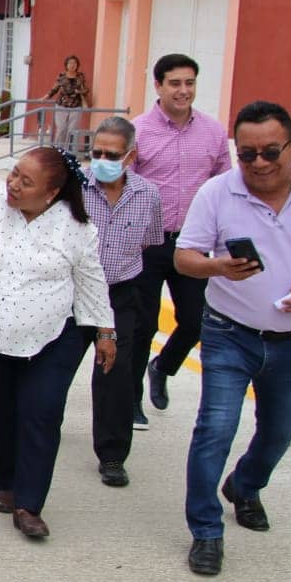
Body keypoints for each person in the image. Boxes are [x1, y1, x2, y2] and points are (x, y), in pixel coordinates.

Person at [174, 101, 291, 577]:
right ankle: (206, 531)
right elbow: (186, 258)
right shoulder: (217, 192)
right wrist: (217, 266)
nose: (260, 163)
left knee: (280, 431)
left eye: (270, 151)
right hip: (229, 333)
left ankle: (244, 486)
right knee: (215, 431)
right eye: (247, 154)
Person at [0, 147, 115, 539]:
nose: (12, 184)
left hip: (52, 339)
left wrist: (105, 332)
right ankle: (4, 481)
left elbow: (91, 279)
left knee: (41, 413)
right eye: (14, 174)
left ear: (51, 194)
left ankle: (29, 505)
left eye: (25, 182)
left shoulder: (76, 228)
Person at [132, 53, 231, 422]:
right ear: (158, 86)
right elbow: (122, 187)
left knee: (195, 321)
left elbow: (225, 187)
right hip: (146, 243)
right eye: (175, 83)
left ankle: (163, 367)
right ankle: (131, 400)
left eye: (189, 83)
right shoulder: (138, 131)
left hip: (191, 244)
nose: (183, 90)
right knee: (142, 325)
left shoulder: (213, 132)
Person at [80, 117, 163, 488]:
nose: (102, 160)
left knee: (116, 371)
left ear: (131, 156)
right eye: (96, 152)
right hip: (74, 291)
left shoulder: (148, 195)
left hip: (120, 294)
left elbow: (149, 239)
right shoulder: (75, 186)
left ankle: (112, 455)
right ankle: (44, 424)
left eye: (111, 154)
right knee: (53, 365)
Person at [46, 55, 92, 151]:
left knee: (72, 130)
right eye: (70, 63)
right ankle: (57, 149)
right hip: (62, 105)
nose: (72, 65)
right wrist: (45, 97)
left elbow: (85, 89)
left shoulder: (80, 76)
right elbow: (55, 88)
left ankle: (67, 151)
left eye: (74, 63)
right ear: (66, 65)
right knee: (61, 128)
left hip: (76, 106)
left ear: (77, 65)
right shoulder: (62, 76)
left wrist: (80, 92)